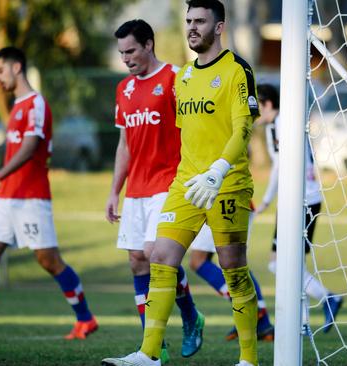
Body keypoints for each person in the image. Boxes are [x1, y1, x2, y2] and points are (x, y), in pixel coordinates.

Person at [102, 1, 260, 365]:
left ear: (219, 27)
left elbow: (244, 128)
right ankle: (150, 354)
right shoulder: (185, 77)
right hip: (186, 185)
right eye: (188, 20)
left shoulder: (237, 69)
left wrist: (218, 170)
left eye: (200, 21)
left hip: (228, 184)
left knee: (233, 269)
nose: (192, 27)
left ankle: (248, 359)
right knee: (159, 256)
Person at [0, 46, 97, 339]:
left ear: (16, 68)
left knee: (48, 260)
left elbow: (30, 147)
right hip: (6, 198)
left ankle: (85, 318)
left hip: (30, 197)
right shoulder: (16, 106)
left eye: (0, 71)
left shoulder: (36, 103)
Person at [105, 19, 205, 362]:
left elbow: (197, 129)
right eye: (121, 53)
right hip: (136, 190)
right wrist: (114, 191)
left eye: (130, 50)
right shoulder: (124, 90)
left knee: (154, 253)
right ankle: (157, 344)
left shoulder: (176, 78)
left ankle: (184, 322)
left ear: (149, 44)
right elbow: (124, 145)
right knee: (136, 262)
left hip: (170, 182)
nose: (126, 59)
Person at [255, 83, 343, 334]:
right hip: (293, 200)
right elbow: (277, 167)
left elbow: (284, 166)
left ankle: (308, 317)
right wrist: (269, 200)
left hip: (303, 199)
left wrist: (269, 200)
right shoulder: (275, 125)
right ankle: (322, 304)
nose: (253, 112)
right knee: (279, 263)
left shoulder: (284, 123)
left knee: (286, 263)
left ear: (268, 104)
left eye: (256, 106)